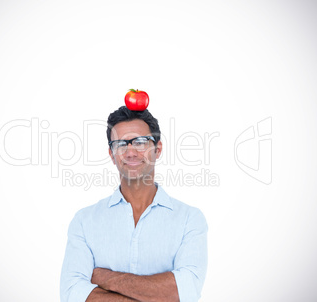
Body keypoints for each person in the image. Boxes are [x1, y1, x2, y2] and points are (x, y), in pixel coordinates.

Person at [60, 106, 208, 301]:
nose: (130, 152)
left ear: (158, 149)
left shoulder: (190, 219)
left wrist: (106, 278)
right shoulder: (84, 221)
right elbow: (72, 294)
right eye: (121, 144)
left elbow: (184, 291)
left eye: (140, 142)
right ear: (112, 154)